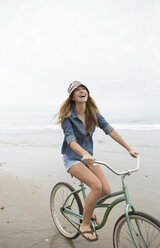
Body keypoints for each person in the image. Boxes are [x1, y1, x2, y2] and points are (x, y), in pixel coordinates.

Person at [56, 81, 138, 242]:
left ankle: (88, 208)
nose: (81, 91)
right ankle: (84, 224)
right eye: (77, 90)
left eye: (83, 88)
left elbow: (110, 130)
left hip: (88, 158)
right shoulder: (67, 118)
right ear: (72, 97)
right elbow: (71, 141)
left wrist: (129, 148)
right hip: (72, 158)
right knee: (96, 186)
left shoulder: (93, 113)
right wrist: (84, 153)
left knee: (106, 190)